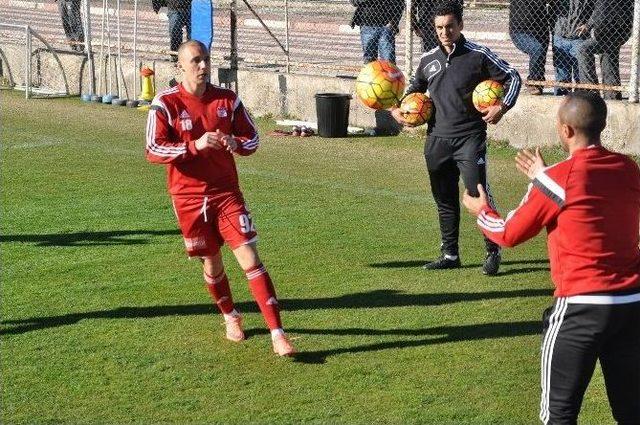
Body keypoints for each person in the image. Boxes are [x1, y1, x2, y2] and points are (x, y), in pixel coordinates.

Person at [462, 92, 640, 424]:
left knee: (558, 415)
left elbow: (509, 234)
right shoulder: (629, 169)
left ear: (565, 131)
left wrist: (482, 210)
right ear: (602, 126)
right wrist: (544, 179)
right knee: (632, 412)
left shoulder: (557, 180)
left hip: (580, 309)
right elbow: (590, 196)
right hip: (632, 306)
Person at [145, 40, 296, 357]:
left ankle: (277, 334)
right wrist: (194, 146)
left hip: (227, 194)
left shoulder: (227, 100)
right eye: (196, 61)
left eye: (206, 60)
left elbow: (252, 139)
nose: (202, 66)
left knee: (250, 258)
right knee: (212, 263)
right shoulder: (166, 103)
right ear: (181, 67)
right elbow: (153, 149)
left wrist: (234, 141)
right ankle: (230, 315)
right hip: (188, 198)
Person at [391, 0, 521, 275]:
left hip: (470, 138)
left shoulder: (478, 55)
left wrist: (502, 106)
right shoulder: (427, 60)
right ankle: (450, 254)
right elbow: (413, 92)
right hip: (437, 139)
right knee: (444, 198)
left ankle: (493, 249)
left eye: (450, 26)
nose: (444, 32)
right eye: (439, 27)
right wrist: (398, 110)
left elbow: (513, 76)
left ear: (460, 25)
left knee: (477, 193)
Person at [576, 0, 633, 100]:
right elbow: (599, 11)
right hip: (604, 34)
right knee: (608, 61)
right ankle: (611, 96)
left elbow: (624, 12)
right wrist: (588, 26)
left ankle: (591, 92)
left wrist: (624, 33)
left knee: (583, 49)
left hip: (615, 33)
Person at [550, 0, 594, 95]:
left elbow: (597, 9)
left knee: (581, 74)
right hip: (560, 35)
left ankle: (581, 99)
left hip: (580, 37)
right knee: (562, 76)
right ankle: (561, 98)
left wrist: (588, 25)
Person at [508, 0, 550, 95]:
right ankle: (532, 81)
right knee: (537, 49)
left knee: (541, 55)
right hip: (520, 30)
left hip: (541, 28)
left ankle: (538, 84)